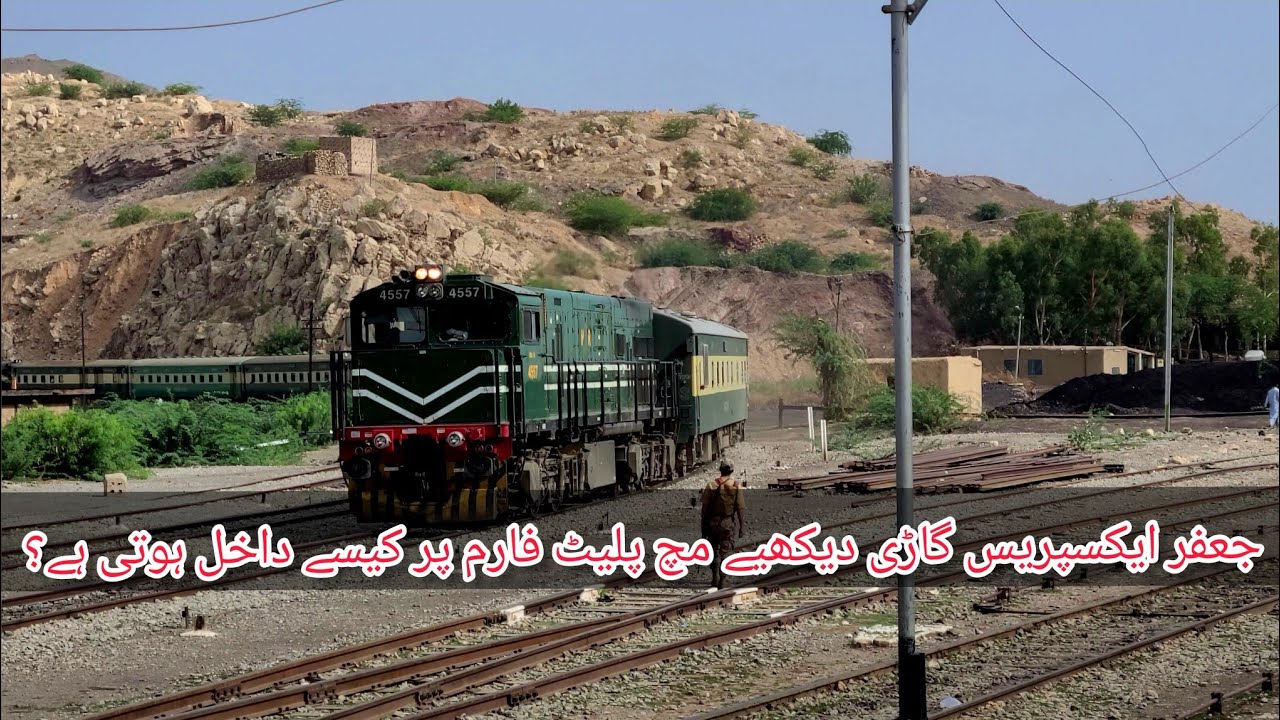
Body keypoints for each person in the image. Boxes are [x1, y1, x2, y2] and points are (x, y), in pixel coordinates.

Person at [700, 460, 745, 589]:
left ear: (720, 470)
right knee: (725, 551)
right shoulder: (736, 485)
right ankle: (723, 580)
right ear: (731, 471)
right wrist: (742, 526)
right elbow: (740, 508)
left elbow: (704, 509)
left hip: (712, 523)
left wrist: (703, 526)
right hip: (727, 522)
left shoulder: (711, 485)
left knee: (713, 549)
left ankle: (714, 578)